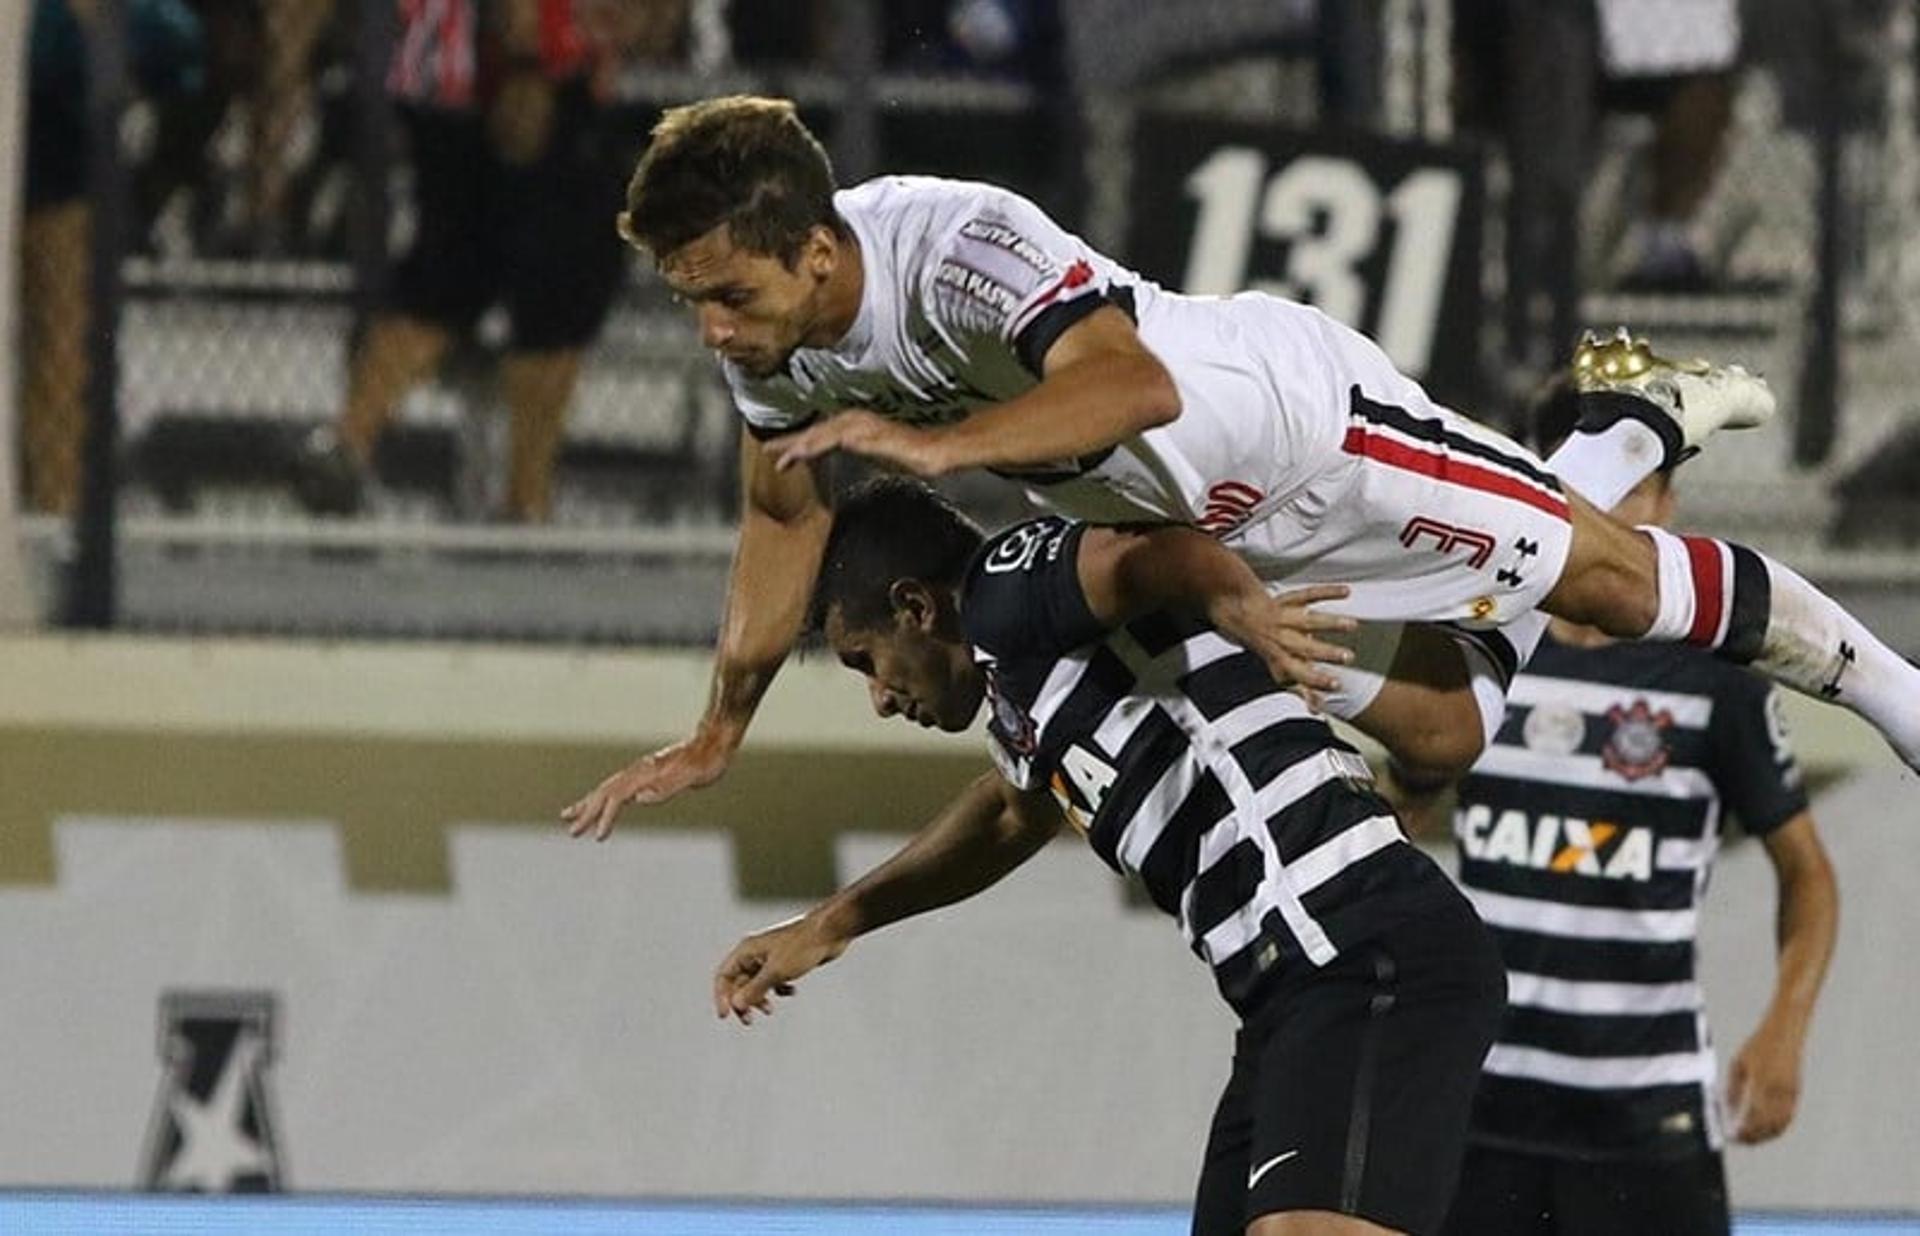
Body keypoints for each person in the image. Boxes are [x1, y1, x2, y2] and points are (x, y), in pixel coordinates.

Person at [560, 94, 1920, 840]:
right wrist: (721, 724)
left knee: (1608, 590)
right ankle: (1621, 429)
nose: (712, 330)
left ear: (813, 248)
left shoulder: (955, 240)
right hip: (1206, 526)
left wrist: (934, 446)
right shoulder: (769, 345)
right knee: (1450, 737)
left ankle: (1892, 688)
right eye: (690, 300)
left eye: (723, 292)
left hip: (1307, 436)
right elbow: (777, 507)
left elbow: (1129, 383)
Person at [713, 475, 1509, 1236]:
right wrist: (836, 921)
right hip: (1286, 997)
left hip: (1361, 945)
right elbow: (1008, 815)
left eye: (865, 661)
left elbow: (1142, 555)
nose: (880, 698)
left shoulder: (1004, 587)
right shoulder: (1022, 690)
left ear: (915, 606)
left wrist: (1241, 605)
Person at [1385, 379, 1840, 1236]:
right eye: (1594, 484)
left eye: (1638, 486)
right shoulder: (1477, 648)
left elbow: (1808, 871)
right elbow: (1398, 813)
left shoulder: (1714, 680)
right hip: (1476, 1104)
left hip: (1646, 1117)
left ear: (1670, 500)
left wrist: (1786, 1026)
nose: (1617, 514)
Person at [292, 0, 663, 522]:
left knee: (449, 274)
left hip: (446, 72)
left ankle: (349, 437)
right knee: (557, 283)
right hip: (513, 73)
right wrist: (525, 58)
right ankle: (525, 496)